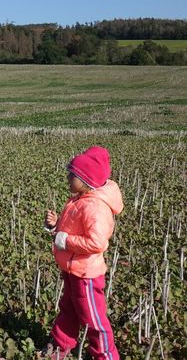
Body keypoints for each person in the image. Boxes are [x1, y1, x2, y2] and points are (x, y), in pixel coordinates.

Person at [41, 146, 123, 360]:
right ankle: (60, 345)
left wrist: (64, 240)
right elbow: (73, 230)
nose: (68, 177)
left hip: (86, 275)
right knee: (68, 309)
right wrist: (55, 226)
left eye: (73, 175)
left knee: (93, 319)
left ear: (86, 180)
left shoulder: (95, 207)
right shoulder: (80, 199)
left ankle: (106, 356)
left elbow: (96, 242)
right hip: (73, 269)